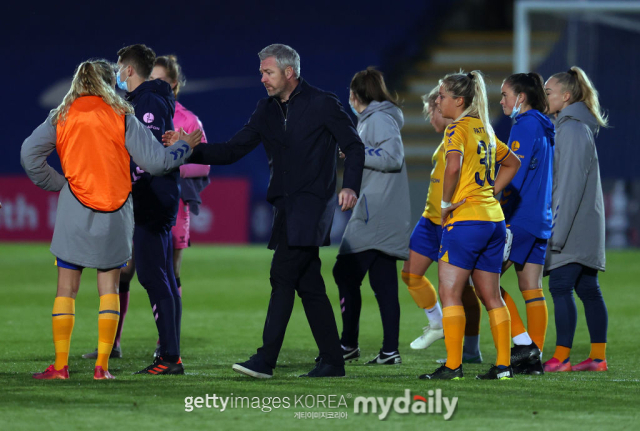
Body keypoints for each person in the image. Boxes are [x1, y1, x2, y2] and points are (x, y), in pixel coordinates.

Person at [180, 44, 365, 378]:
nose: (262, 78)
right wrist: (185, 151)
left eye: (268, 72)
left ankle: (265, 360)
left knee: (282, 276)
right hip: (284, 206)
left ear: (289, 72)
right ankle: (333, 361)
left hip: (312, 205)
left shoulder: (323, 103)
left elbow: (353, 145)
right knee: (308, 284)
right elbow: (232, 150)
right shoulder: (265, 110)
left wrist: (350, 185)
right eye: (262, 72)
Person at [21, 59, 200, 380]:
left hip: (74, 210)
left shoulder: (62, 115)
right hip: (115, 212)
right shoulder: (123, 116)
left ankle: (60, 366)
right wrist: (185, 147)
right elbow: (158, 163)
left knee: (66, 289)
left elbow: (29, 156)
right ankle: (101, 368)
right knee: (109, 288)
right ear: (111, 84)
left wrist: (63, 185)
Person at [418, 70, 520, 380]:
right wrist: (490, 192)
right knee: (492, 296)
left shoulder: (456, 129)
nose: (438, 101)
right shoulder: (486, 128)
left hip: (466, 222)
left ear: (459, 100)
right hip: (494, 221)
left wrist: (446, 204)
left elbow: (452, 168)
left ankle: (452, 366)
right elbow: (512, 161)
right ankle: (503, 366)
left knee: (450, 294)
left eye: (442, 96)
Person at [332, 67, 410, 365]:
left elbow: (393, 157)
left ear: (354, 95)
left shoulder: (377, 120)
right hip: (382, 208)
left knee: (344, 271)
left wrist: (358, 152)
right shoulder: (377, 118)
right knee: (383, 280)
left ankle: (348, 343)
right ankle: (390, 351)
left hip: (375, 210)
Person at [117, 44, 186, 375]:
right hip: (157, 195)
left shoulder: (145, 102)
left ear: (129, 70)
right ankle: (171, 353)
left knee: (151, 274)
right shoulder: (147, 98)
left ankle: (170, 357)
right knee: (163, 276)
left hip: (151, 196)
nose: (117, 73)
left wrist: (131, 182)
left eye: (119, 67)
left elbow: (149, 153)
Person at [404, 85, 484, 365]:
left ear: (443, 109)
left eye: (432, 111)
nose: (430, 118)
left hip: (453, 221)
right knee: (411, 275)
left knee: (463, 289)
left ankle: (471, 350)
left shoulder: (462, 134)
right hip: (429, 219)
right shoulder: (448, 139)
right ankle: (437, 323)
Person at [543, 66, 609, 372]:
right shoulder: (575, 127)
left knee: (560, 286)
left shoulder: (569, 129)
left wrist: (555, 232)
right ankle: (597, 358)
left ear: (566, 96)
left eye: (549, 92)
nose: (545, 97)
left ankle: (562, 357)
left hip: (571, 226)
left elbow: (567, 187)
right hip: (585, 224)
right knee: (587, 289)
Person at [498, 72, 555, 375]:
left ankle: (524, 346)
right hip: (540, 217)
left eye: (505, 94)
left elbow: (513, 174)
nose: (501, 100)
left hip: (519, 217)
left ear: (521, 97)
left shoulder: (526, 124)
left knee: (483, 279)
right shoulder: (545, 126)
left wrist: (492, 200)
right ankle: (534, 359)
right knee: (531, 286)